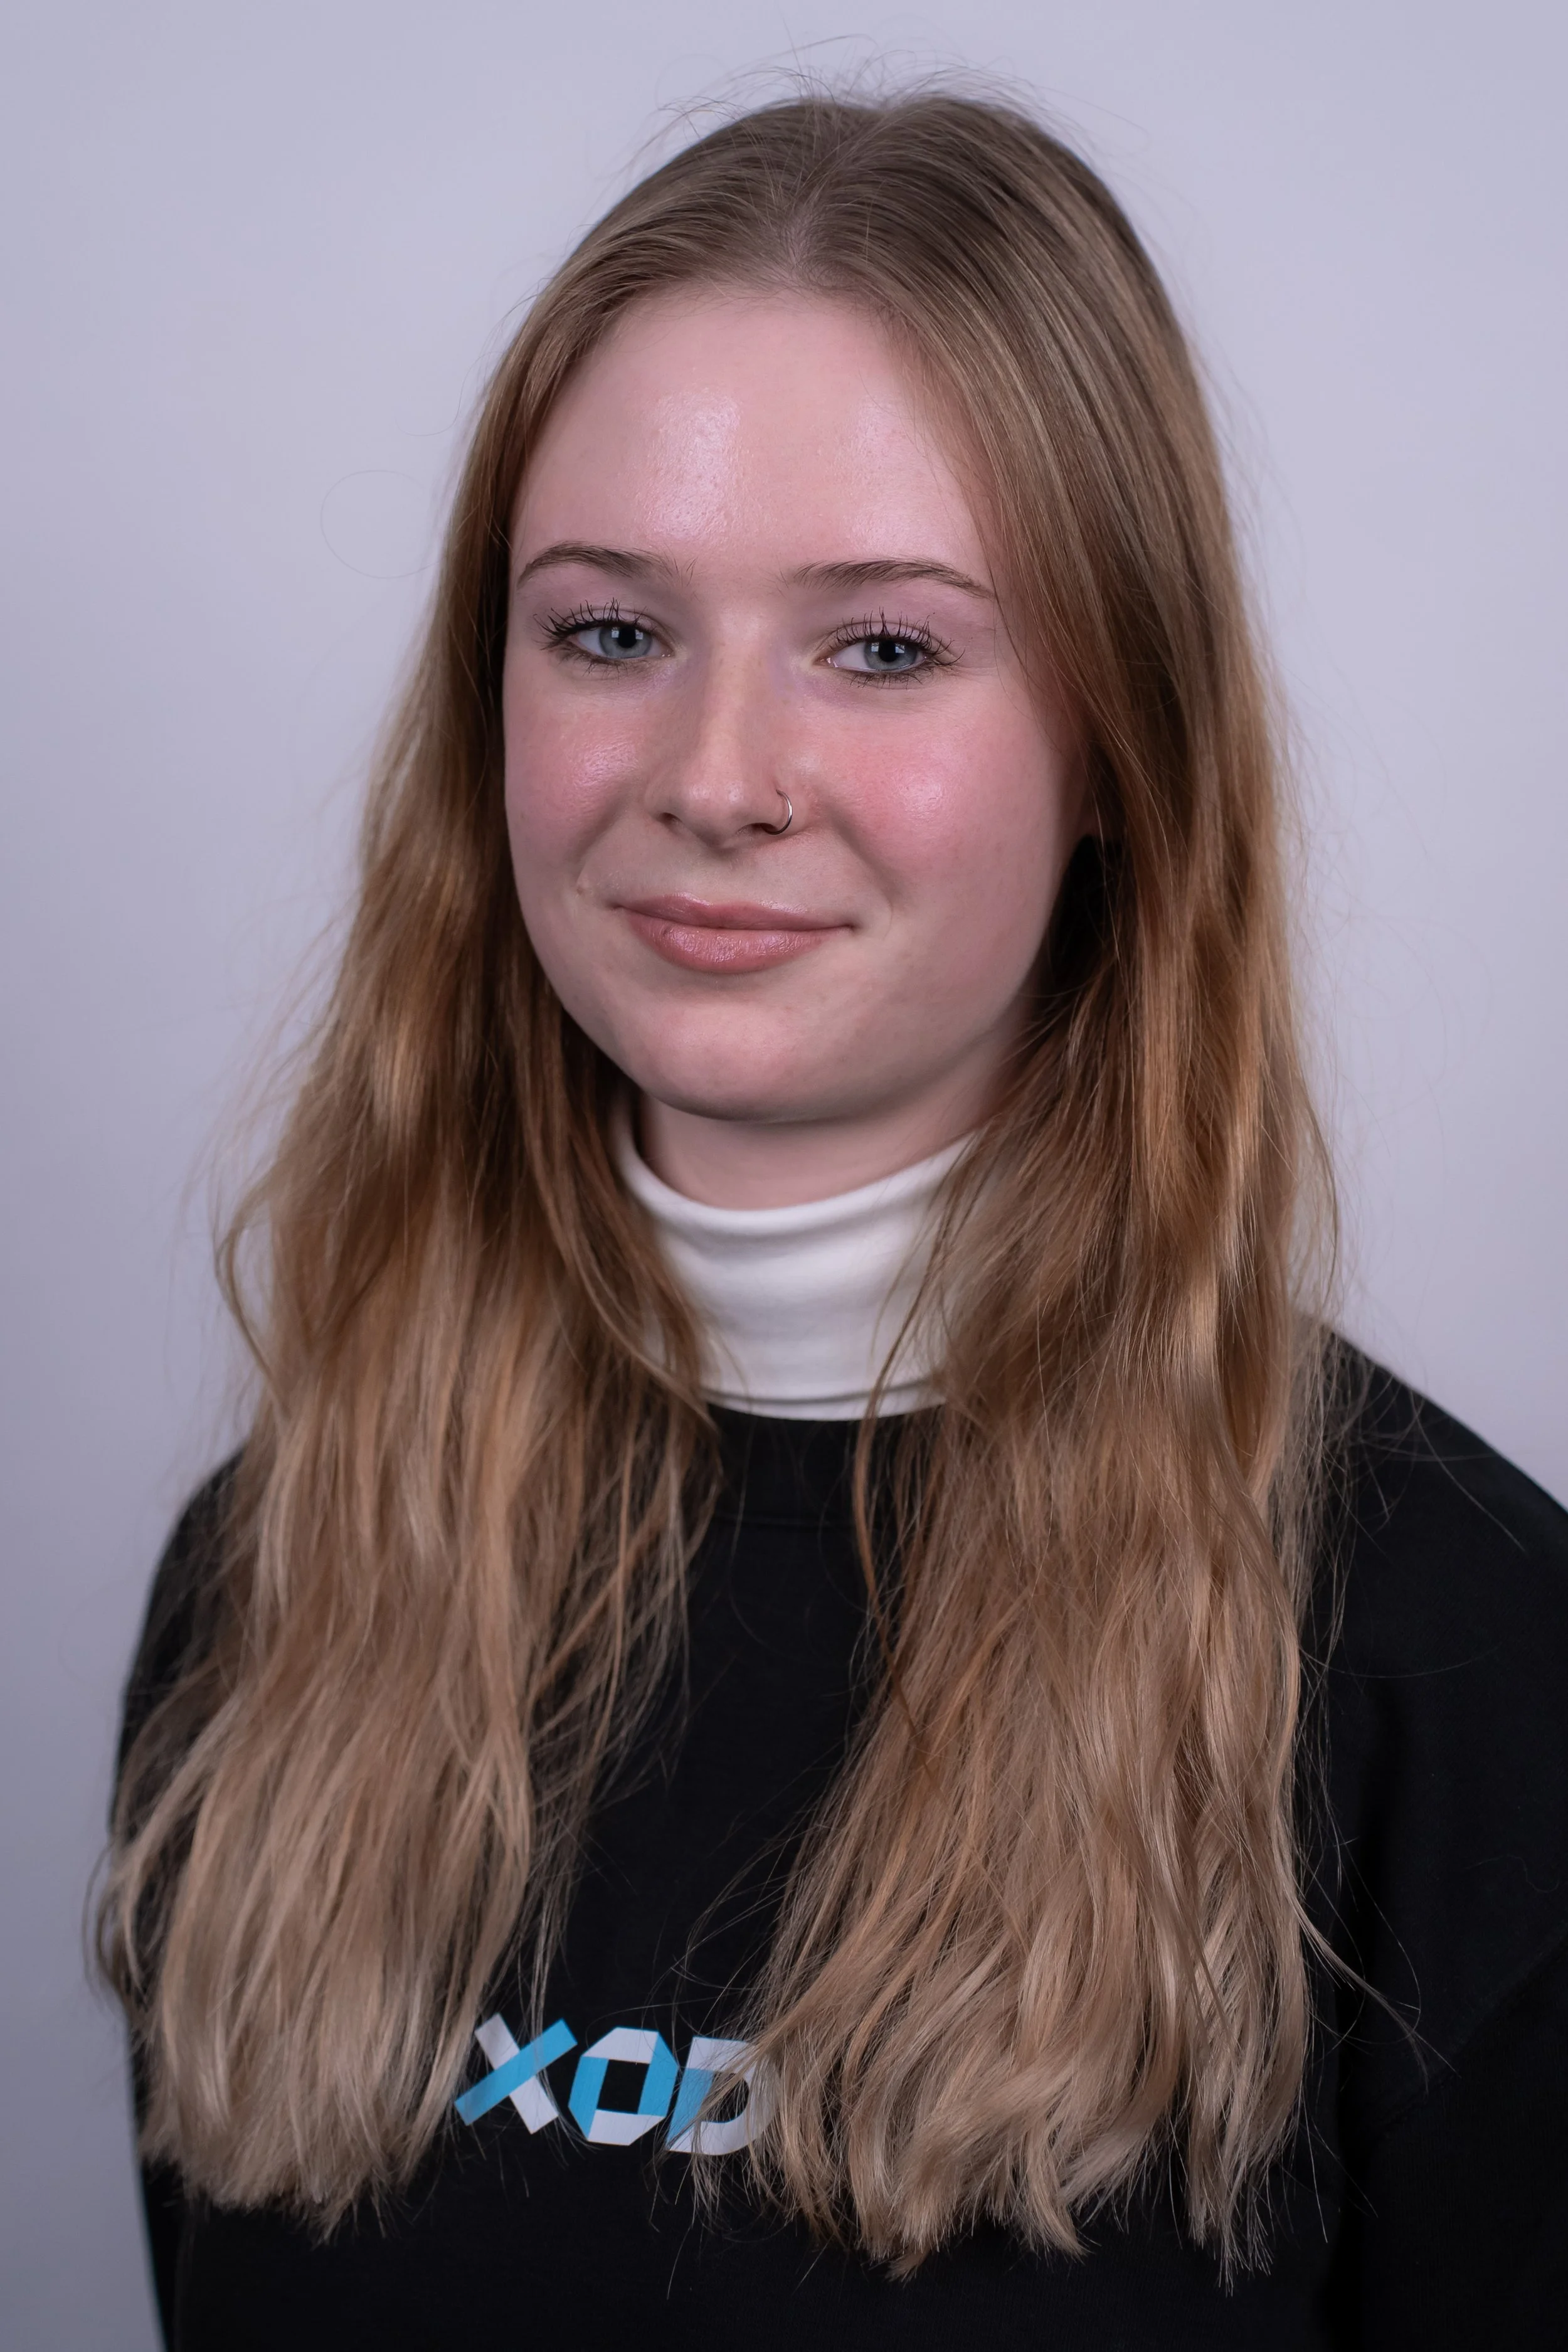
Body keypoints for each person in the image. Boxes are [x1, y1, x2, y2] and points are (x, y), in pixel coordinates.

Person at [100, 90, 1568, 2349]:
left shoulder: (1462, 1672)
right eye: (607, 631)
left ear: (1118, 750)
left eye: (879, 647)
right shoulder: (274, 1575)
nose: (711, 772)